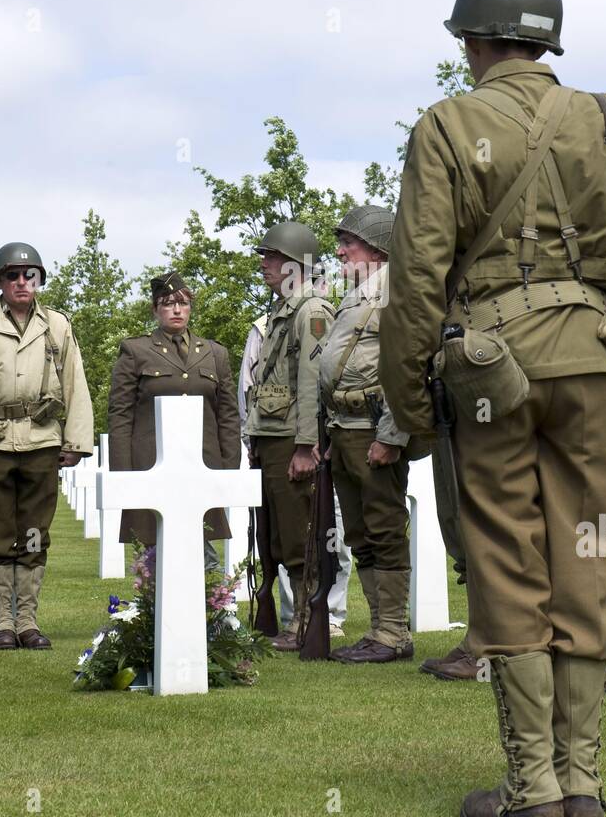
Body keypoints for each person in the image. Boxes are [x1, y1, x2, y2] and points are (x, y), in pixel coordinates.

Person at [380, 0, 606, 817]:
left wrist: (408, 408)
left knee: (508, 563)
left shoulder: (447, 125)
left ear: (472, 39)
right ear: (546, 38)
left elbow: (416, 279)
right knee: (589, 555)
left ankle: (533, 789)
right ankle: (583, 785)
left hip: (491, 373)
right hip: (596, 364)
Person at [0, 242, 93, 650]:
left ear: (39, 279)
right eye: (13, 276)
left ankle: (27, 620)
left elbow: (76, 384)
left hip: (43, 442)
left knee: (32, 533)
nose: (22, 282)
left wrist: (76, 440)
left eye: (30, 275)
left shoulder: (57, 325)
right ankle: (2, 623)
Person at [320, 205, 414, 663]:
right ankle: (380, 629)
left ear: (376, 249)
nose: (339, 251)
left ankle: (394, 632)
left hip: (374, 426)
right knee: (358, 532)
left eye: (348, 243)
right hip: (344, 427)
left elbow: (407, 366)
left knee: (384, 528)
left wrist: (391, 435)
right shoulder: (357, 295)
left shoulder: (395, 292)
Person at [107, 271, 240, 565]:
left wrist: (229, 471)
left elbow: (228, 415)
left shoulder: (215, 353)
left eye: (182, 303)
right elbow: (120, 415)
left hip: (203, 466)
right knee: (155, 556)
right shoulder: (135, 351)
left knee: (203, 552)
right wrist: (123, 477)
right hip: (151, 466)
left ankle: (211, 609)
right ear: (155, 310)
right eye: (167, 304)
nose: (176, 310)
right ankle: (154, 610)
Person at [246, 222, 334, 651]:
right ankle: (292, 621)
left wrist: (306, 445)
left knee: (300, 537)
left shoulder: (311, 311)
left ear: (296, 264)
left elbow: (312, 383)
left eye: (272, 256)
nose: (264, 263)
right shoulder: (282, 313)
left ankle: (304, 623)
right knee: (277, 538)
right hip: (271, 437)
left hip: (292, 441)